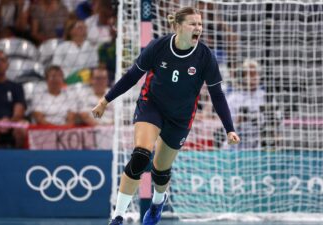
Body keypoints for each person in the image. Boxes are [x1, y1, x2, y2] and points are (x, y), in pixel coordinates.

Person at [92, 7, 240, 225]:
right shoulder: (159, 47)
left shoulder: (205, 56)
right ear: (177, 26)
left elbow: (217, 95)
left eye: (200, 24)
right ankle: (118, 217)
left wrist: (229, 128)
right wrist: (105, 101)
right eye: (193, 24)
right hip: (152, 105)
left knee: (161, 170)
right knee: (141, 156)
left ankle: (157, 202)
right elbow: (132, 76)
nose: (198, 28)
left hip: (180, 116)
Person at [0, 50, 27, 148]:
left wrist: (10, 121)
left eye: (3, 60)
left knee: (22, 128)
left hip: (11, 122)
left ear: (7, 65)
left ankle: (18, 158)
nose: (0, 63)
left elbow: (19, 109)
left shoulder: (16, 86)